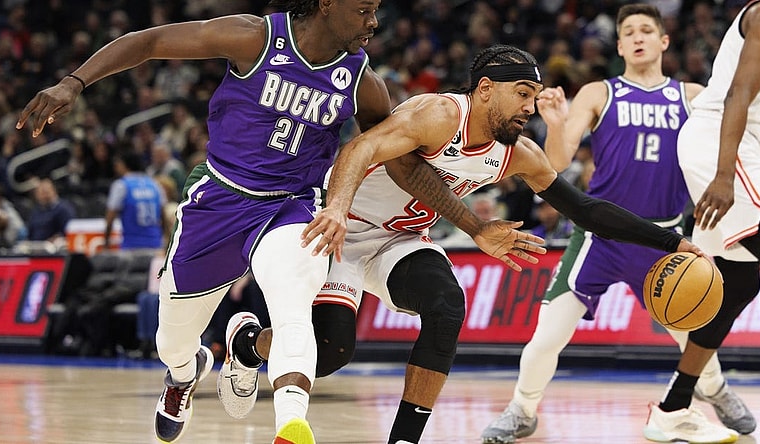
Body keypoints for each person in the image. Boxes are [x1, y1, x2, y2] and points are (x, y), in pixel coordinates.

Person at [222, 43, 703, 444]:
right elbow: (359, 147)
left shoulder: (518, 153)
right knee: (329, 352)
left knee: (448, 306)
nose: (530, 107)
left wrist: (671, 241)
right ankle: (246, 344)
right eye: (522, 93)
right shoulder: (438, 114)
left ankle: (404, 440)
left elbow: (586, 209)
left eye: (534, 97)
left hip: (400, 238)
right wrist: (335, 208)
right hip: (343, 227)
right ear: (486, 88)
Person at [14, 1, 403, 442]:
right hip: (219, 200)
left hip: (292, 206)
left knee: (293, 307)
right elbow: (150, 42)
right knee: (171, 343)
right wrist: (73, 82)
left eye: (376, 9)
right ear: (327, 4)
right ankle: (185, 372)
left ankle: (291, 427)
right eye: (364, 9)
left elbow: (385, 152)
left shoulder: (363, 83)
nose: (374, 21)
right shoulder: (255, 38)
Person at [479, 5, 754, 444]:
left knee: (693, 333)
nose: (638, 37)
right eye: (629, 32)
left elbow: (736, 134)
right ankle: (522, 410)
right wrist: (555, 125)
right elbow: (557, 162)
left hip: (663, 240)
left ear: (664, 41)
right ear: (620, 46)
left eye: (647, 29)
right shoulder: (597, 92)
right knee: (547, 336)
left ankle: (715, 389)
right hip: (600, 237)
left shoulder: (692, 96)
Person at [647, 1, 760, 442]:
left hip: (741, 148)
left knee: (737, 282)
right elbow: (737, 96)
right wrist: (723, 176)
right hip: (722, 145)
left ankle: (672, 410)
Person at [104, 151, 166, 251]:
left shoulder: (121, 185)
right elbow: (163, 215)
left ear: (125, 165)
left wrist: (106, 242)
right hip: (155, 244)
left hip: (131, 246)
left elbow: (110, 217)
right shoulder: (155, 184)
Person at [26, 178, 76, 247]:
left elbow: (68, 231)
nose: (44, 195)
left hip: (54, 248)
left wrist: (55, 240)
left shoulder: (63, 209)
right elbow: (30, 232)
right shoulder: (36, 211)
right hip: (35, 247)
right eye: (41, 192)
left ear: (54, 191)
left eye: (46, 192)